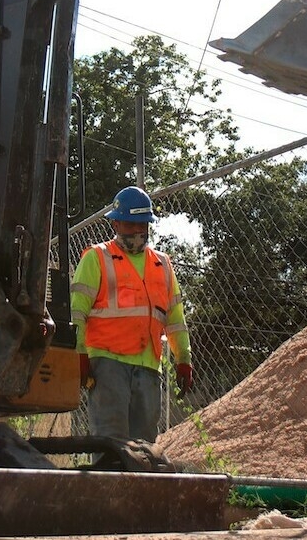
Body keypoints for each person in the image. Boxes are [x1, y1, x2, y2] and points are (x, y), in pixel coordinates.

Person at [70, 186, 193, 442]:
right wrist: (79, 354)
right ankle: (108, 484)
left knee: (144, 446)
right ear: (115, 223)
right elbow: (77, 312)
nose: (137, 231)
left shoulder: (163, 264)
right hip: (107, 364)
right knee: (110, 442)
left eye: (143, 225)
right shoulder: (97, 257)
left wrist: (184, 358)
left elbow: (175, 320)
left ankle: (136, 484)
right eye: (130, 225)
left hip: (149, 367)